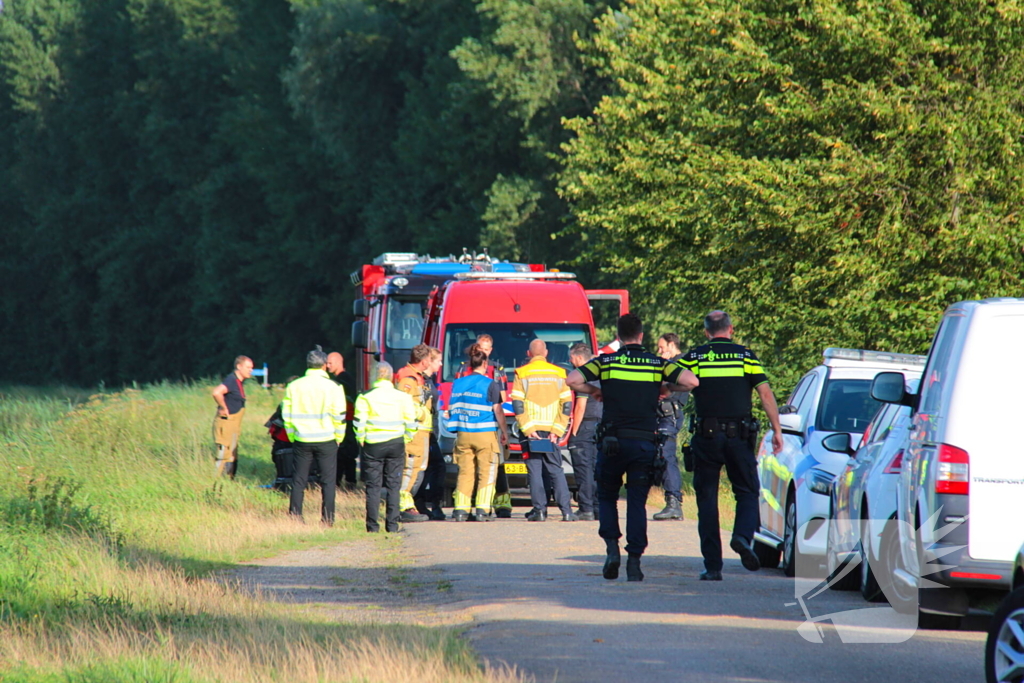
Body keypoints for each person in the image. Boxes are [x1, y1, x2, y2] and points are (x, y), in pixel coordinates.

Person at [567, 314, 698, 582]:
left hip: (612, 442)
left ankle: (612, 550)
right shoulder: (655, 362)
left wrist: (594, 391)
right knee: (636, 502)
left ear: (618, 334)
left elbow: (572, 379)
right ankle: (635, 561)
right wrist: (664, 388)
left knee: (607, 498)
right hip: (643, 443)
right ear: (641, 335)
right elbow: (691, 381)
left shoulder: (606, 361)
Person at [678, 311, 783, 581]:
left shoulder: (696, 356)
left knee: (707, 500)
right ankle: (742, 537)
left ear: (706, 332)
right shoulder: (745, 356)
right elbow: (765, 393)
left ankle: (713, 567)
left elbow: (673, 384)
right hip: (739, 437)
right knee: (747, 491)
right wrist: (777, 430)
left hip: (706, 437)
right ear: (731, 329)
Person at [511, 338, 576, 522]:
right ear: (546, 353)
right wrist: (558, 430)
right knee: (556, 470)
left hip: (531, 432)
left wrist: (527, 428)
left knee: (535, 471)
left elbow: (517, 404)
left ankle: (539, 511)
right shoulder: (559, 373)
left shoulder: (522, 373)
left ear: (529, 353)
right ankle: (567, 512)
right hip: (552, 431)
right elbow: (566, 404)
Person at [282, 347, 347, 526]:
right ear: (325, 365)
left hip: (302, 438)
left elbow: (286, 413)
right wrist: (339, 437)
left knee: (299, 479)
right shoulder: (334, 387)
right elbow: (339, 415)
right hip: (327, 439)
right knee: (328, 481)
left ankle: (295, 516)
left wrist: (292, 434)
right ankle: (327, 519)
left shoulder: (294, 386)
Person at [447, 344, 510, 521]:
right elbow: (498, 410)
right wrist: (504, 431)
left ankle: (461, 510)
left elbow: (452, 408)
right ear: (485, 364)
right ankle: (482, 510)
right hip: (485, 434)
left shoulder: (458, 383)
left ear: (469, 365)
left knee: (465, 472)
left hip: (463, 435)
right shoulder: (491, 384)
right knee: (487, 472)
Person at [354, 361, 418, 533]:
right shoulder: (402, 397)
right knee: (393, 485)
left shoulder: (365, 397)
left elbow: (358, 422)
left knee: (373, 486)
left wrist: (361, 438)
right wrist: (406, 437)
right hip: (396, 443)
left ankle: (372, 526)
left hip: (373, 445)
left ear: (374, 376)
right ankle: (392, 525)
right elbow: (411, 421)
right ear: (391, 377)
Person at [395, 344, 435, 523]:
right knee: (410, 467)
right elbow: (406, 404)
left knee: (418, 468)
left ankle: (406, 502)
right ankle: (402, 505)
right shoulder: (408, 377)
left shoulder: (417, 377)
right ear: (424, 360)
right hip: (414, 430)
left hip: (422, 430)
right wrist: (421, 414)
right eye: (429, 358)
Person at [652, 333, 690, 521]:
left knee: (666, 456)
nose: (659, 351)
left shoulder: (681, 363)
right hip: (661, 415)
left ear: (672, 344)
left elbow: (673, 386)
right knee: (660, 455)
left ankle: (674, 503)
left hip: (670, 415)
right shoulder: (669, 364)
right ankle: (669, 500)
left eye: (661, 347)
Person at [568, 343, 601, 521]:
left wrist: (573, 433)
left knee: (583, 468)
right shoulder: (600, 372)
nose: (569, 361)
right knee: (597, 468)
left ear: (579, 358)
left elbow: (580, 406)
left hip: (586, 425)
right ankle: (596, 508)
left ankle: (585, 508)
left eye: (571, 358)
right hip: (600, 425)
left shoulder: (584, 375)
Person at [413, 347, 447, 520]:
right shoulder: (422, 380)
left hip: (429, 431)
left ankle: (425, 504)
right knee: (429, 467)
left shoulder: (429, 380)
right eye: (438, 360)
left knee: (431, 468)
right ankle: (429, 505)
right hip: (420, 432)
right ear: (429, 361)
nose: (441, 364)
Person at [211, 355, 254, 479]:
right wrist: (223, 407)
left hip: (233, 425)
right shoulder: (231, 380)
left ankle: (229, 480)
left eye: (251, 368)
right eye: (248, 367)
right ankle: (217, 482)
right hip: (226, 423)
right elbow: (216, 392)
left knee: (232, 454)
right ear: (239, 366)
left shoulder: (238, 382)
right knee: (224, 454)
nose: (250, 370)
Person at [327, 351, 359, 489]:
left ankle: (339, 483)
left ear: (339, 362)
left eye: (330, 363)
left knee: (342, 454)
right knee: (347, 454)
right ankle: (349, 483)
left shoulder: (342, 381)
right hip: (348, 420)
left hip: (346, 420)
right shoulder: (347, 379)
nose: (327, 366)